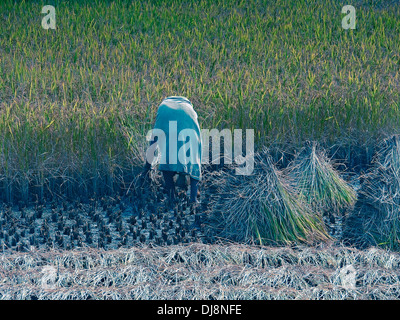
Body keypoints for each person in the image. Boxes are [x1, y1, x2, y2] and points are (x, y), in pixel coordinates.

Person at [139, 96, 202, 212]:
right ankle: (193, 199)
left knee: (167, 163)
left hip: (167, 113)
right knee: (194, 159)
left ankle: (172, 198)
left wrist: (147, 167)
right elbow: (198, 143)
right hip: (190, 126)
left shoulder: (163, 110)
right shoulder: (189, 109)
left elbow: (153, 142)